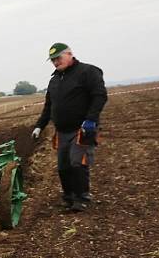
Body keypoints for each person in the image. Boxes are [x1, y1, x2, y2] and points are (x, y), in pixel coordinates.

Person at [32, 43, 107, 212]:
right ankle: (69, 197)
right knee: (63, 167)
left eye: (58, 58)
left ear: (70, 54)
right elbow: (49, 107)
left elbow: (99, 96)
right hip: (62, 131)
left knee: (77, 163)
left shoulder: (88, 72)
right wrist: (39, 126)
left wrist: (91, 120)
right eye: (53, 60)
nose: (56, 62)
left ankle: (82, 198)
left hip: (82, 128)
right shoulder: (54, 80)